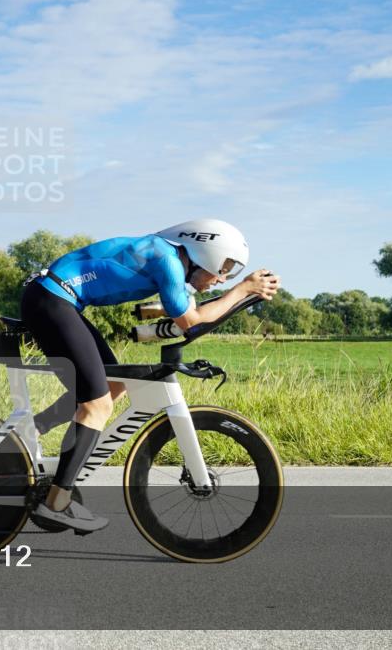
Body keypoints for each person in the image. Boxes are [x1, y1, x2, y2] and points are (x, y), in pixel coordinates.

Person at [21, 219, 281, 532]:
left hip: (55, 298)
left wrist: (240, 294)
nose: (222, 279)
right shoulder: (166, 260)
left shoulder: (166, 257)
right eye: (224, 269)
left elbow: (183, 311)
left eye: (231, 274)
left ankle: (28, 432)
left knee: (112, 387)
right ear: (206, 253)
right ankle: (56, 503)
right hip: (52, 300)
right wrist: (242, 290)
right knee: (96, 405)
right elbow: (191, 320)